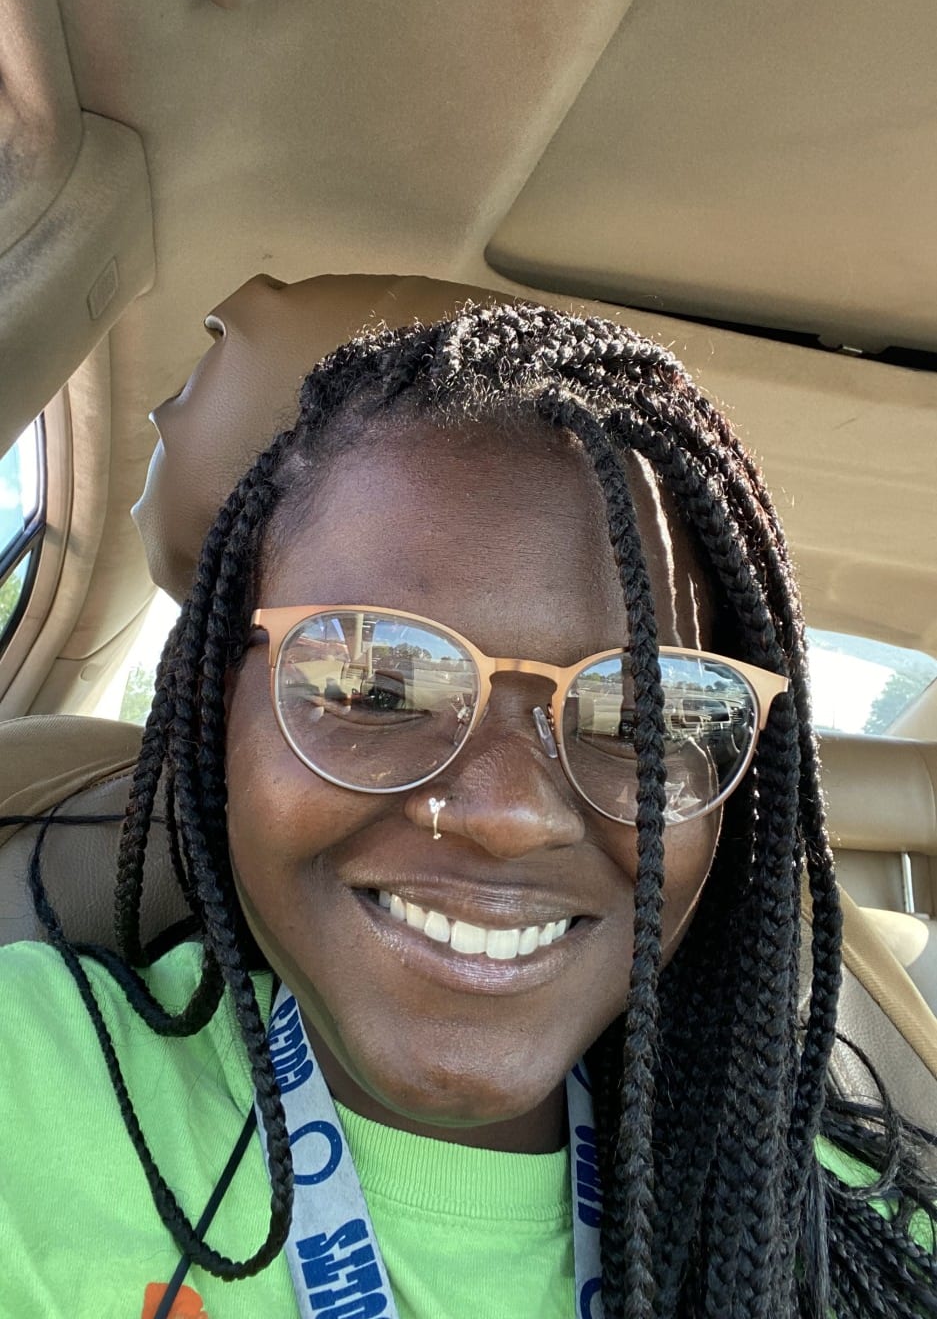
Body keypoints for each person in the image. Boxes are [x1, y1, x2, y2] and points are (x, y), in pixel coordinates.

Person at [1, 301, 934, 1319]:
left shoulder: (847, 1229)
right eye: (374, 688)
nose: (507, 814)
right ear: (218, 709)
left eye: (641, 717)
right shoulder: (29, 1076)